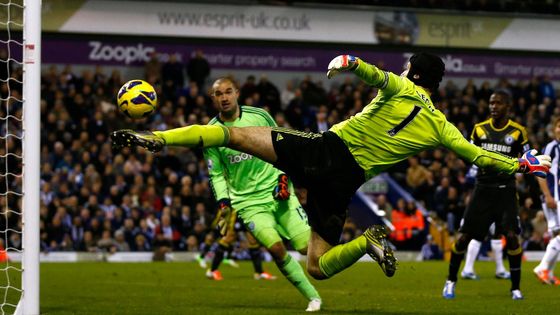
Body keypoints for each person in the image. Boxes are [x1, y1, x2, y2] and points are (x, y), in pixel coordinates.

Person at [111, 53, 550, 287]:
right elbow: (478, 156)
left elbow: (380, 77)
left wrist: (350, 63)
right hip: (346, 184)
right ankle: (367, 242)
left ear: (415, 73)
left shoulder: (401, 86)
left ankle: (158, 139)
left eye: (407, 66)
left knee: (228, 134)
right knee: (318, 266)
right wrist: (523, 163)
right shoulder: (442, 126)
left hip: (327, 153)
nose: (402, 70)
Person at [188, 77, 322, 311]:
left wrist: (284, 177)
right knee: (276, 248)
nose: (224, 97)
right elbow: (216, 174)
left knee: (309, 251)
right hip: (247, 202)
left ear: (237, 93)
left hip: (277, 191)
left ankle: (361, 247)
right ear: (213, 98)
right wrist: (223, 202)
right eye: (219, 94)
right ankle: (313, 298)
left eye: (228, 92)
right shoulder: (211, 133)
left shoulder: (259, 116)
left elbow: (281, 145)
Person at [444, 90, 531, 300]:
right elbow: (470, 156)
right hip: (482, 189)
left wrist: (526, 173)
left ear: (507, 106)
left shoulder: (518, 132)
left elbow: (528, 158)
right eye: (492, 103)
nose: (493, 106)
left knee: (511, 237)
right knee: (464, 237)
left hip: (506, 191)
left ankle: (515, 288)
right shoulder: (479, 130)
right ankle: (450, 281)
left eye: (498, 103)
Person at [197, 213, 277, 281]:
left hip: (248, 212)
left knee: (253, 241)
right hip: (237, 212)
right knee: (227, 239)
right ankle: (212, 271)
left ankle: (259, 272)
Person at [534, 117, 560, 285]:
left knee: (557, 235)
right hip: (553, 198)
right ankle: (542, 268)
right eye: (559, 126)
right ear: (555, 129)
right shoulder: (551, 147)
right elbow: (539, 171)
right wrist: (548, 195)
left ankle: (548, 273)